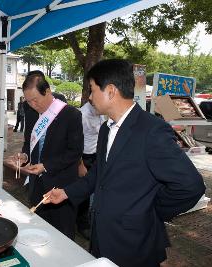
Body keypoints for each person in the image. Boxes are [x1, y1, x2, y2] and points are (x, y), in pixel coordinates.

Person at [44, 59, 206, 267]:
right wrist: (66, 193)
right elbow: (98, 175)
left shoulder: (151, 131)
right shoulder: (106, 129)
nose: (90, 97)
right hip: (102, 237)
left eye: (92, 90)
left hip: (135, 243)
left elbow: (191, 186)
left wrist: (152, 209)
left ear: (110, 91)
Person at [14, 74, 83, 240]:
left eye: (35, 100)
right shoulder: (31, 112)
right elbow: (29, 141)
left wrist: (45, 166)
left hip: (61, 186)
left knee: (62, 235)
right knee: (37, 232)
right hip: (36, 185)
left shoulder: (70, 114)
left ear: (47, 91)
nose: (32, 105)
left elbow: (75, 152)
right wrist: (24, 155)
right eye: (28, 101)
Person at [76, 100, 106, 239]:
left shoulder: (100, 111)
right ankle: (82, 225)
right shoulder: (82, 114)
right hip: (84, 158)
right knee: (84, 192)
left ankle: (90, 218)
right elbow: (76, 143)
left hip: (96, 156)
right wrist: (80, 164)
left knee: (96, 189)